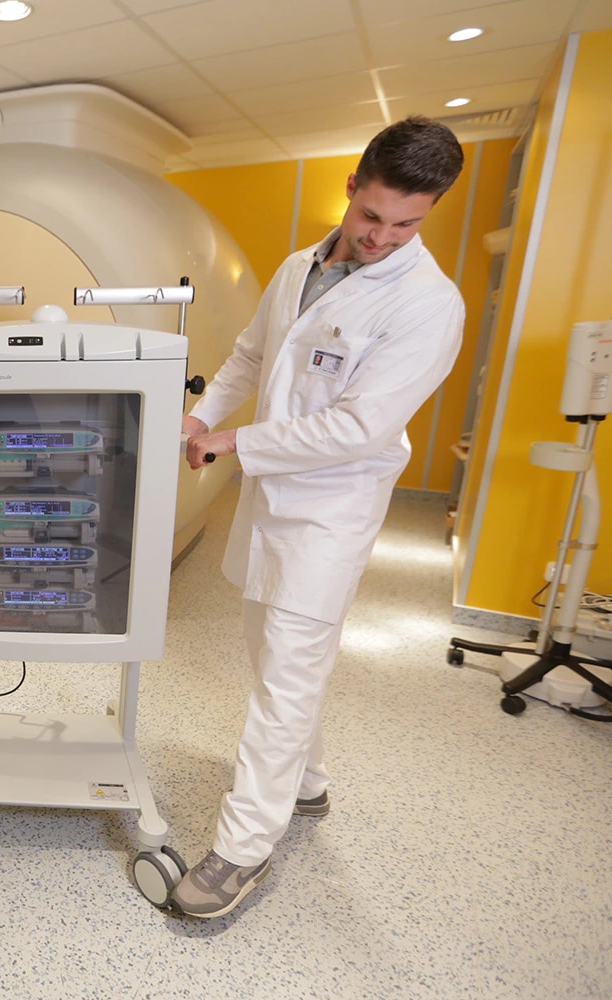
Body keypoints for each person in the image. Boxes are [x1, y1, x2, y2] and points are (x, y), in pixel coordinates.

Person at [170, 116, 467, 919]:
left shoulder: (428, 304)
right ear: (352, 185)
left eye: (406, 224)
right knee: (273, 658)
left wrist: (233, 440)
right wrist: (203, 414)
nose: (382, 237)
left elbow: (358, 428)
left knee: (285, 681)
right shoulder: (299, 266)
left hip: (331, 510)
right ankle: (307, 783)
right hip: (273, 498)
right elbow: (251, 355)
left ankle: (241, 851)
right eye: (372, 215)